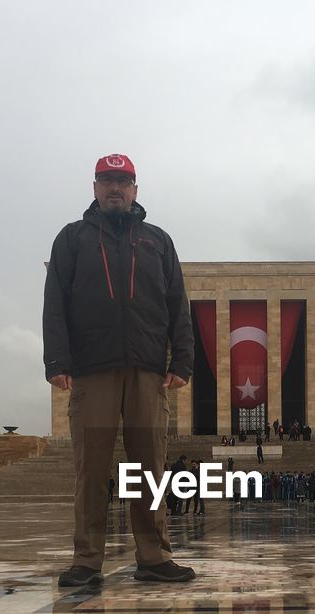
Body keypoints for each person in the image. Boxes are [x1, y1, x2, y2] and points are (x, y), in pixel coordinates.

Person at [44, 154, 195, 585]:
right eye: (108, 181)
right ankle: (87, 559)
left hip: (147, 369)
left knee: (149, 467)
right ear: (94, 187)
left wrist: (181, 359)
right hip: (93, 370)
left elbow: (176, 303)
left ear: (135, 189)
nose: (116, 188)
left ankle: (153, 555)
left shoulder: (157, 240)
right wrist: (57, 360)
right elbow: (54, 302)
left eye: (124, 181)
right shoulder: (72, 239)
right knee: (91, 468)